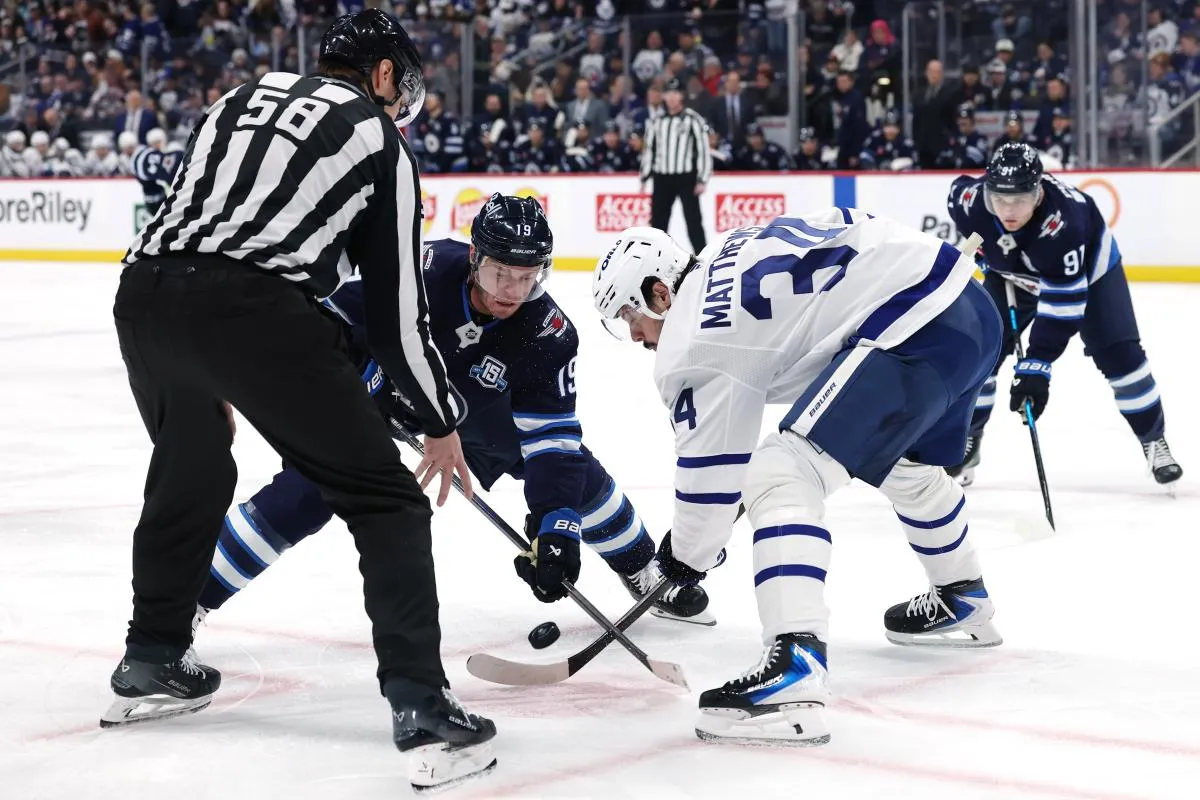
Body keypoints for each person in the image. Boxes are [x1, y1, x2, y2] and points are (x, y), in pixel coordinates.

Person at [104, 10, 496, 794]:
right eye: (403, 82)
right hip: (253, 312)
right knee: (385, 500)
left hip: (144, 294)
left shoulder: (235, 99)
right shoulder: (382, 139)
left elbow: (193, 226)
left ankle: (150, 656)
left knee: (192, 468)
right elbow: (394, 313)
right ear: (383, 73)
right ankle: (423, 707)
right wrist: (440, 419)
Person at [194, 194, 713, 629]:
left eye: (527, 277)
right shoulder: (422, 272)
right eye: (499, 273)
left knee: (577, 476)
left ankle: (642, 567)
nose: (512, 291)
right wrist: (359, 374)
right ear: (473, 258)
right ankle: (187, 598)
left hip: (474, 408)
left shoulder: (547, 333)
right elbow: (325, 316)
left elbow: (552, 441)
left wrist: (556, 527)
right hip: (377, 387)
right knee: (313, 488)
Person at [591, 211, 1004, 747]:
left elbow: (710, 483)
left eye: (630, 316)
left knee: (779, 472)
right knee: (909, 466)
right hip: (967, 306)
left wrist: (685, 559)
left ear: (660, 293)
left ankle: (796, 666)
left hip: (911, 325)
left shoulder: (690, 340)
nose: (635, 335)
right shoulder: (728, 248)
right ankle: (962, 593)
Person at [946, 143, 1182, 487]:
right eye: (1000, 200)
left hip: (1090, 275)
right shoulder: (967, 200)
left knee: (1121, 357)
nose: (1008, 210)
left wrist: (1038, 363)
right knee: (979, 353)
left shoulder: (1064, 222)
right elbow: (969, 220)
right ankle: (967, 440)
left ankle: (1153, 439)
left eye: (1020, 201)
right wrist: (988, 255)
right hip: (1015, 276)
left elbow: (1063, 303)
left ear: (1038, 191)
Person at [640, 77, 712, 254]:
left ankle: (704, 258)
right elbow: (650, 150)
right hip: (662, 176)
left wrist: (702, 178)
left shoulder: (693, 119)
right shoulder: (657, 121)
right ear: (663, 96)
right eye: (668, 93)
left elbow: (703, 150)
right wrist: (644, 176)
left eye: (675, 93)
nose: (671, 97)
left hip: (686, 176)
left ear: (681, 95)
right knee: (658, 223)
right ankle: (654, 258)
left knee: (693, 221)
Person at [130, 128, 184, 216]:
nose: (156, 145)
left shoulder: (173, 148)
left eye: (158, 142)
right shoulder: (151, 160)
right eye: (153, 143)